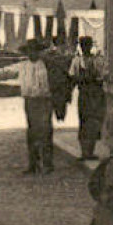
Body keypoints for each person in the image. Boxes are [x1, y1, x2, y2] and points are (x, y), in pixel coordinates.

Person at [16, 39, 53, 174]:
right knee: (32, 132)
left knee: (45, 130)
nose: (32, 53)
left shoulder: (46, 65)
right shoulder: (23, 66)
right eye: (30, 51)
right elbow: (7, 72)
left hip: (44, 100)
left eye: (35, 51)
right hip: (29, 101)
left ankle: (47, 163)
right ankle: (33, 164)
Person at [43, 34, 74, 123]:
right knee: (57, 101)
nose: (62, 46)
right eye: (60, 43)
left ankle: (60, 117)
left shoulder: (65, 56)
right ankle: (59, 117)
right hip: (56, 83)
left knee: (61, 102)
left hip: (61, 83)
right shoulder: (51, 56)